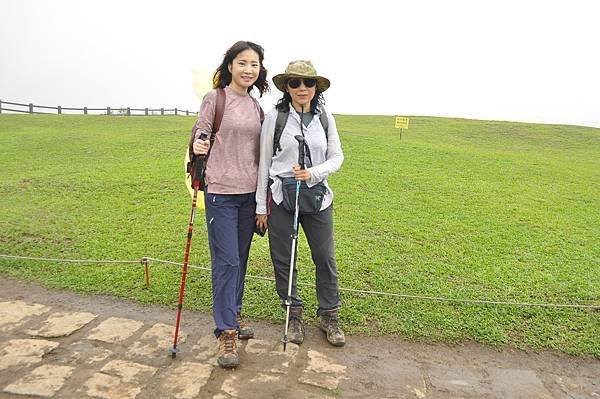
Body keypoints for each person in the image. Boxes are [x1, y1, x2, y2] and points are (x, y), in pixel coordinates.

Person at [256, 60, 345, 347]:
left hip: (318, 198)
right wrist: (261, 206)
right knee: (284, 259)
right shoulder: (275, 118)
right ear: (287, 87)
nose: (302, 88)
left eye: (308, 83)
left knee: (325, 257)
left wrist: (313, 173)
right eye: (295, 83)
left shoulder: (325, 117)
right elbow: (264, 164)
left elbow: (337, 157)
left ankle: (329, 315)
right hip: (282, 197)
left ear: (316, 87)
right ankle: (293, 314)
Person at [191, 40, 269, 368]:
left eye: (254, 64)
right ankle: (225, 332)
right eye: (242, 63)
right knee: (227, 262)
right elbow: (201, 134)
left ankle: (233, 316)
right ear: (230, 66)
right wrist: (197, 143)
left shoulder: (257, 107)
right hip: (220, 192)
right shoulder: (215, 99)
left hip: (248, 196)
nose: (248, 69)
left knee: (241, 259)